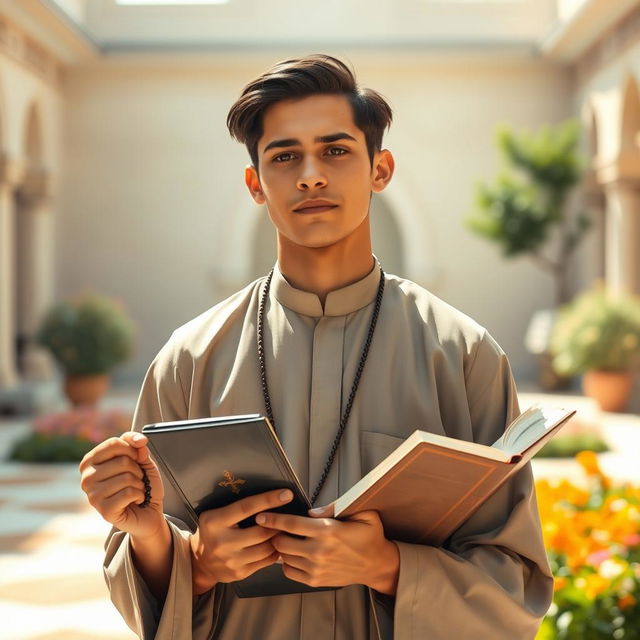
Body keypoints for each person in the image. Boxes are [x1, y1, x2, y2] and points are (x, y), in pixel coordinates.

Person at [79, 53, 554, 639]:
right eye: (284, 156)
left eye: (335, 151)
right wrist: (185, 556)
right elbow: (148, 582)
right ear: (256, 183)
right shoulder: (189, 359)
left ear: (380, 169)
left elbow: (517, 588)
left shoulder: (461, 355)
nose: (310, 175)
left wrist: (387, 566)